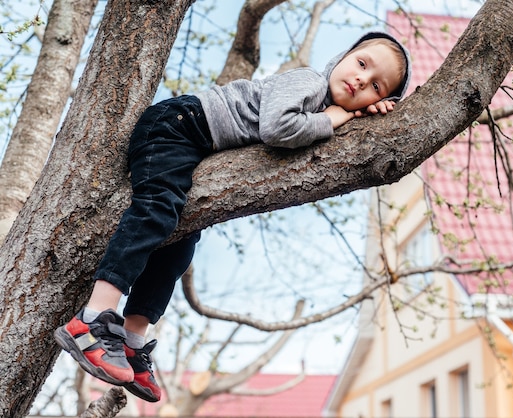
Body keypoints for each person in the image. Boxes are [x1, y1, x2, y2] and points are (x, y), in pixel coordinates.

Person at [54, 32, 411, 402]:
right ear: (344, 55)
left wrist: (362, 118)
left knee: (180, 241)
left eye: (375, 86)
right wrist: (335, 118)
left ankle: (131, 340)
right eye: (362, 64)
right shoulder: (309, 82)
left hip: (194, 146)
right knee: (156, 210)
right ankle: (94, 317)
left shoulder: (325, 105)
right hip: (177, 126)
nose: (360, 80)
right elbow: (277, 128)